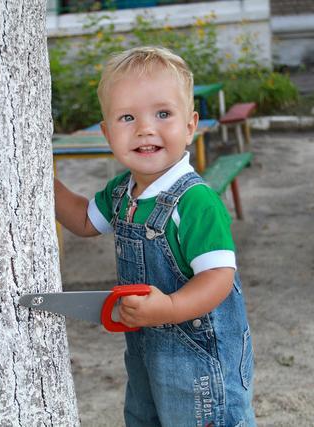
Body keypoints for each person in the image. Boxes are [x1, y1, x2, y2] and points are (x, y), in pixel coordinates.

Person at [54, 46, 255, 426]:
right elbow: (83, 220)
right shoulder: (121, 192)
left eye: (163, 114)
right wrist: (44, 185)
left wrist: (171, 308)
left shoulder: (195, 201)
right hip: (147, 353)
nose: (146, 128)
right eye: (127, 117)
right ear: (107, 132)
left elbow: (219, 278)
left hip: (200, 363)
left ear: (191, 125)